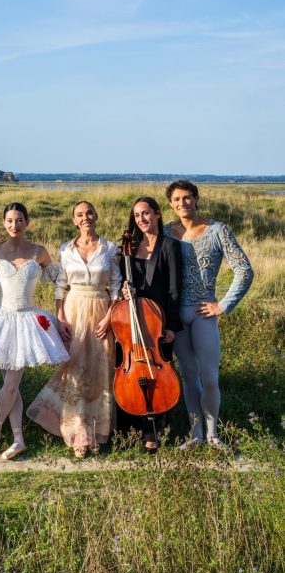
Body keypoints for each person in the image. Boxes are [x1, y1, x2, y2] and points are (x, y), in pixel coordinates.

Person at [0, 202, 70, 461]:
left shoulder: (39, 252)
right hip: (0, 320)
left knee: (11, 384)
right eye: (9, 220)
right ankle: (18, 439)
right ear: (4, 223)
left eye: (19, 220)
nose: (14, 225)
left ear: (27, 222)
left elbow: (60, 281)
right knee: (13, 386)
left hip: (28, 319)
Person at [164, 179, 253, 449]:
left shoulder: (218, 230)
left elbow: (244, 270)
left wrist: (223, 305)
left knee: (210, 377)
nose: (182, 203)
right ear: (171, 204)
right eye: (177, 199)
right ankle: (196, 434)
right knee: (189, 375)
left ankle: (213, 435)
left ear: (196, 199)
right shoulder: (166, 232)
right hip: (177, 316)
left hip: (204, 313)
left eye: (187, 197)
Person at [27, 201, 121, 458]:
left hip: (102, 312)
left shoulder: (111, 248)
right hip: (74, 310)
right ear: (74, 220)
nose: (85, 217)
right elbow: (61, 285)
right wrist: (60, 316)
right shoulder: (66, 249)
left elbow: (115, 286)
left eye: (89, 212)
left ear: (96, 215)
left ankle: (97, 431)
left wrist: (110, 318)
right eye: (80, 214)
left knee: (100, 368)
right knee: (73, 369)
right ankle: (78, 432)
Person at [116, 196, 183, 453]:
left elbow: (175, 290)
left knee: (158, 377)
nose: (141, 219)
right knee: (129, 375)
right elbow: (123, 281)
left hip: (158, 324)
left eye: (146, 214)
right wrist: (125, 290)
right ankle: (127, 429)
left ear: (156, 214)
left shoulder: (169, 246)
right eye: (137, 216)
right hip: (131, 321)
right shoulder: (128, 248)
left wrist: (171, 327)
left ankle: (154, 431)